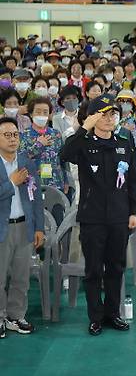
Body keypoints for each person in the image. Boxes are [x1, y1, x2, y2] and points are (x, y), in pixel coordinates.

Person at [59, 94, 136, 336]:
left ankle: (112, 313)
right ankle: (95, 317)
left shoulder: (124, 143)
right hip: (92, 216)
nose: (108, 119)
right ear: (93, 117)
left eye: (112, 114)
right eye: (102, 114)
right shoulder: (83, 142)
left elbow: (133, 180)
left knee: (116, 267)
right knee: (93, 269)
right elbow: (65, 155)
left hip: (119, 216)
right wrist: (84, 127)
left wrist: (134, 211)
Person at [0, 117, 44, 338]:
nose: (12, 139)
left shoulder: (27, 162)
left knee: (21, 276)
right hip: (2, 228)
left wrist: (39, 228)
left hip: (24, 227)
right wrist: (11, 183)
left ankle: (15, 316)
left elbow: (36, 199)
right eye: (6, 135)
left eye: (15, 134)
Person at [19, 97, 66, 192]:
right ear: (31, 114)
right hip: (32, 185)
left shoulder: (56, 134)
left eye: (45, 112)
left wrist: (65, 180)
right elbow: (20, 159)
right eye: (38, 112)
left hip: (55, 183)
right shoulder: (24, 135)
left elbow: (62, 159)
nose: (42, 115)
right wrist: (39, 145)